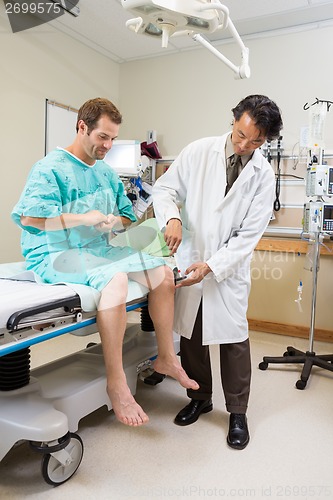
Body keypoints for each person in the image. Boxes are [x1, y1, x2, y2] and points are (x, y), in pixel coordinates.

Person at [12, 97, 198, 428]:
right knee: (117, 279)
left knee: (162, 270)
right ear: (82, 127)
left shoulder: (105, 173)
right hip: (53, 252)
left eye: (113, 138)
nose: (108, 146)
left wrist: (114, 223)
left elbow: (128, 219)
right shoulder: (50, 167)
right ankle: (117, 384)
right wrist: (83, 218)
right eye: (103, 137)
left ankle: (167, 359)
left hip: (95, 248)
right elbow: (32, 219)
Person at [152, 94, 283, 449]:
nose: (245, 145)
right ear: (234, 120)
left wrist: (212, 266)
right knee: (192, 336)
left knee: (233, 340)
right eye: (241, 135)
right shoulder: (198, 151)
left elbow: (248, 236)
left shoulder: (262, 174)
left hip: (228, 268)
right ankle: (200, 397)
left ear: (266, 140)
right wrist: (172, 217)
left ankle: (237, 412)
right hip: (190, 255)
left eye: (256, 141)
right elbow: (164, 188)